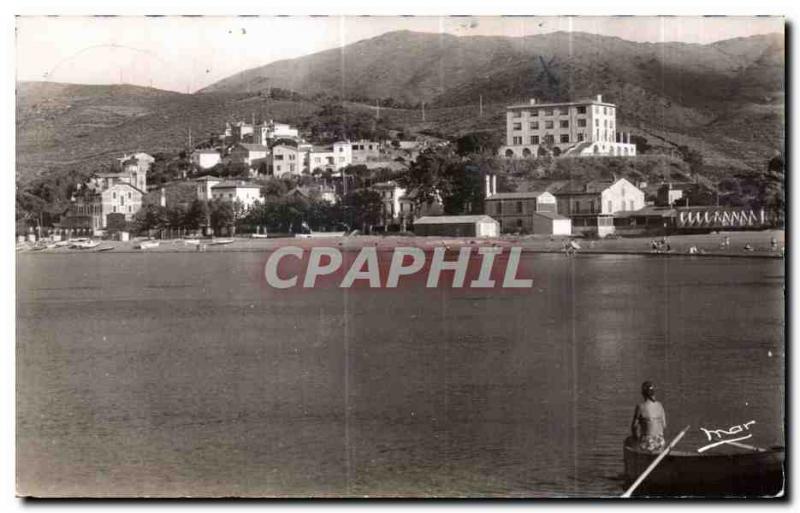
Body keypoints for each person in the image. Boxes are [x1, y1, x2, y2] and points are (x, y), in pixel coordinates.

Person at [631, 381, 667, 452]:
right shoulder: (660, 405)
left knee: (629, 441)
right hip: (660, 442)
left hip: (648, 443)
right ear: (653, 393)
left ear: (643, 394)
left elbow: (634, 427)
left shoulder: (640, 407)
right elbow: (664, 426)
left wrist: (636, 438)